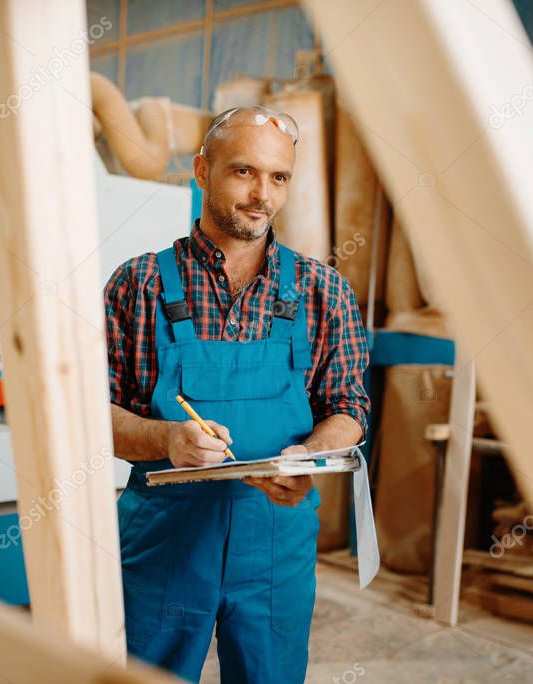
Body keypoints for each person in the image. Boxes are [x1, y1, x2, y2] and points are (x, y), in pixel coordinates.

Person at [104, 105, 370, 683]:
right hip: (163, 542)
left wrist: (309, 455)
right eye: (243, 172)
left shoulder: (324, 292)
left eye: (278, 178)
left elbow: (349, 408)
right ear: (202, 170)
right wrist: (166, 436)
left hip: (274, 546)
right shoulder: (140, 284)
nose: (262, 195)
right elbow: (93, 415)